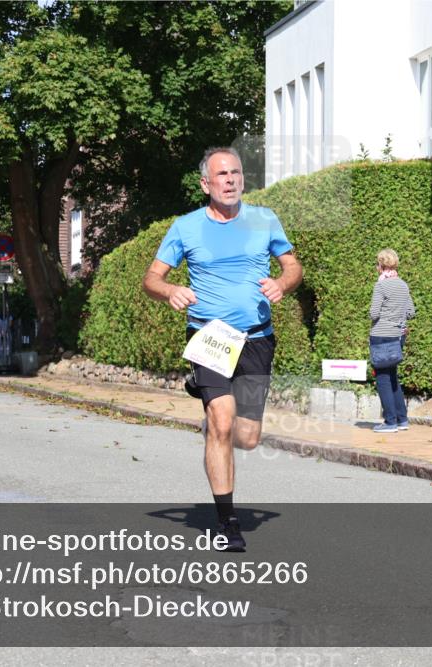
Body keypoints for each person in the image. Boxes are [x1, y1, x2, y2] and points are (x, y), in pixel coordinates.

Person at [143, 146, 302, 551]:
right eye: (222, 174)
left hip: (256, 338)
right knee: (222, 421)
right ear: (205, 184)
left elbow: (292, 266)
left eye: (236, 173)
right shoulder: (186, 227)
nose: (230, 180)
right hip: (208, 337)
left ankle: (216, 429)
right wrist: (170, 291)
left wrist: (283, 284)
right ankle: (228, 523)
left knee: (246, 437)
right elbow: (152, 279)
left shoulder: (264, 219)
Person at [369, 248, 415, 433]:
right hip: (398, 336)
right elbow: (411, 312)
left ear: (381, 265)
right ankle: (402, 419)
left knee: (382, 379)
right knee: (393, 376)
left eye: (377, 264)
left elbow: (373, 312)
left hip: (381, 335)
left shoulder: (380, 286)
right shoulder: (403, 285)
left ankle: (390, 422)